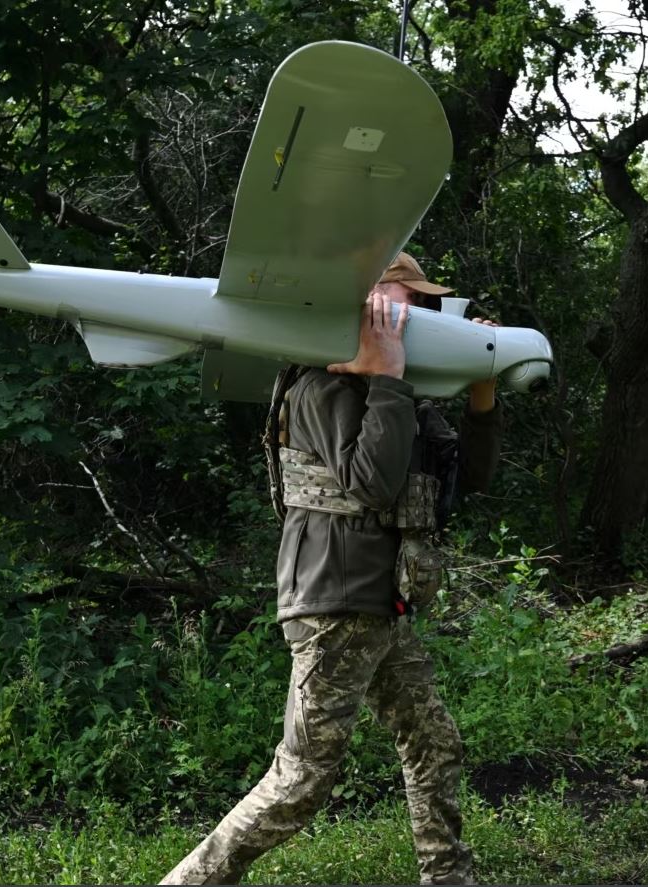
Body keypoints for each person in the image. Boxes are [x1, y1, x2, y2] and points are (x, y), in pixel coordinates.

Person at [160, 252, 503, 885]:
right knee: (302, 780)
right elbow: (372, 484)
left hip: (381, 603)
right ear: (365, 303)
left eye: (423, 301)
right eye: (405, 298)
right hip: (337, 605)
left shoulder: (393, 390)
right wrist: (389, 379)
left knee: (434, 742)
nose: (419, 310)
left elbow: (467, 480)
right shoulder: (323, 385)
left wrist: (483, 392)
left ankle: (448, 877)